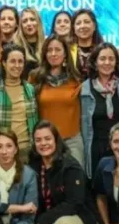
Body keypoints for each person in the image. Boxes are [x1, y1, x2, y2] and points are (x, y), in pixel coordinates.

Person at [29, 121, 101, 224]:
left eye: (47, 139)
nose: (43, 143)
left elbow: (74, 203)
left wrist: (43, 222)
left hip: (79, 218)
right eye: (38, 140)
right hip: (50, 220)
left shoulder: (70, 166)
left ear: (56, 140)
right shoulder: (34, 166)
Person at [80, 43, 119, 178]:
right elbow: (84, 125)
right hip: (97, 149)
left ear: (116, 62)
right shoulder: (85, 88)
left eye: (111, 59)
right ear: (95, 62)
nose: (107, 62)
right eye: (102, 58)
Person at [31, 35, 84, 166]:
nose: (53, 54)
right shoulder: (35, 78)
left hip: (72, 142)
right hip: (45, 142)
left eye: (58, 50)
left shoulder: (76, 79)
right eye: (49, 50)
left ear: (65, 54)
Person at [0, 44, 39, 164]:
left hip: (30, 152)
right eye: (13, 61)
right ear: (4, 63)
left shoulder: (30, 89)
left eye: (20, 61)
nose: (17, 65)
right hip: (5, 153)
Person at [71, 9, 103, 78]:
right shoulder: (68, 51)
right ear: (73, 28)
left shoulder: (103, 50)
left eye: (86, 22)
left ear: (94, 26)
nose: (82, 26)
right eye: (78, 23)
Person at [14, 7, 45, 75]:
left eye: (32, 19)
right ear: (21, 26)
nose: (29, 24)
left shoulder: (46, 45)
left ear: (38, 22)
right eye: (25, 21)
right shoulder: (14, 47)